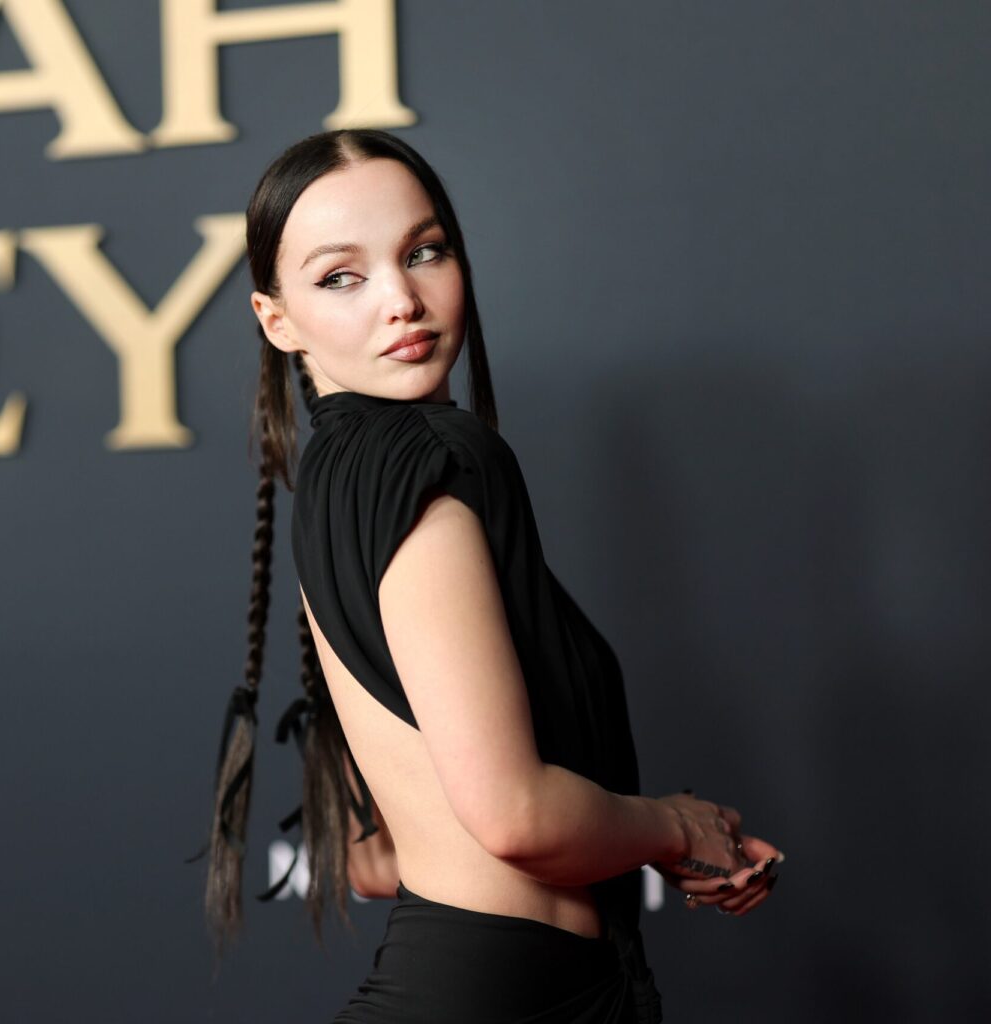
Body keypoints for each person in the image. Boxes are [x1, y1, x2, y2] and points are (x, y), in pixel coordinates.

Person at [191, 128, 786, 1022]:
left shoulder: (330, 476)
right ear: (277, 319)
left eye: (424, 251)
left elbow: (374, 860)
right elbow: (514, 816)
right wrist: (671, 826)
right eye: (341, 276)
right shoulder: (431, 454)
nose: (402, 299)